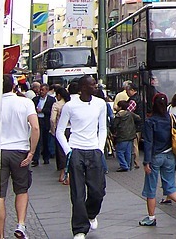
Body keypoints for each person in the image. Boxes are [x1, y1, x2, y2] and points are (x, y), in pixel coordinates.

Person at [55, 75, 108, 239]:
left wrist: (99, 148)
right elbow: (59, 131)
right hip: (76, 149)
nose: (96, 86)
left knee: (98, 191)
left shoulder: (100, 104)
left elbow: (103, 128)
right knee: (77, 193)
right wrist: (69, 151)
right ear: (83, 88)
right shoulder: (70, 106)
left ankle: (91, 214)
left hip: (94, 150)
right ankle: (79, 229)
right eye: (92, 84)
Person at [138, 93, 176, 226]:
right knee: (170, 185)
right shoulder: (172, 118)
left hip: (155, 157)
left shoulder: (150, 121)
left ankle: (151, 218)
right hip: (170, 156)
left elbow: (148, 143)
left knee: (151, 188)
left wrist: (146, 162)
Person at [0, 75, 39, 239]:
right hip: (20, 151)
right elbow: (35, 128)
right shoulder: (25, 103)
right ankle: (21, 224)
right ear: (14, 86)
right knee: (21, 190)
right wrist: (31, 152)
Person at [111, 100, 141, 172]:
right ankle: (128, 164)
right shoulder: (130, 114)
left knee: (119, 151)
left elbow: (114, 126)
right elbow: (139, 118)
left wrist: (114, 132)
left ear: (120, 107)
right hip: (131, 135)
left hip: (122, 136)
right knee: (128, 151)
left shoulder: (118, 116)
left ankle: (124, 165)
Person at [50, 85, 72, 184]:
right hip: (71, 129)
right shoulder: (70, 104)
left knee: (62, 152)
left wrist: (53, 130)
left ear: (59, 95)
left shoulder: (57, 105)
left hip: (61, 130)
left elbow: (52, 119)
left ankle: (64, 173)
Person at [32, 83, 56, 166]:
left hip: (45, 121)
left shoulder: (51, 100)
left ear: (47, 90)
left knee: (46, 140)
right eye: (40, 90)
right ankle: (35, 159)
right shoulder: (35, 99)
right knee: (37, 140)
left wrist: (42, 110)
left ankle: (46, 158)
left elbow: (51, 111)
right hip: (37, 120)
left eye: (43, 90)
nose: (41, 91)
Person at [125, 83, 144, 169]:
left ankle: (136, 162)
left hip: (135, 125)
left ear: (132, 90)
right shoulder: (140, 97)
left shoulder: (133, 100)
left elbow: (128, 111)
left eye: (127, 91)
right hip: (140, 124)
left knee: (134, 144)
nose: (126, 93)